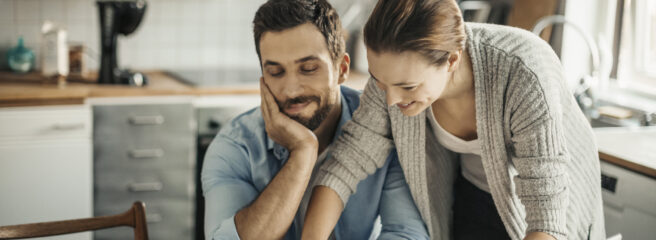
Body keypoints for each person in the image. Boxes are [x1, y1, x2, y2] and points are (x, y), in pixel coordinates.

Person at [302, 0, 606, 239]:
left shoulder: (523, 72)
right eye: (380, 82)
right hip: (475, 194)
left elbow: (547, 219)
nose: (391, 100)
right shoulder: (394, 80)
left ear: (452, 60)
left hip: (552, 205)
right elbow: (346, 163)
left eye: (408, 87)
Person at [201, 0, 428, 239]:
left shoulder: (383, 127)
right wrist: (303, 152)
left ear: (342, 69)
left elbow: (406, 233)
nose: (291, 90)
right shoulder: (236, 146)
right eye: (276, 72)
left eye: (308, 68)